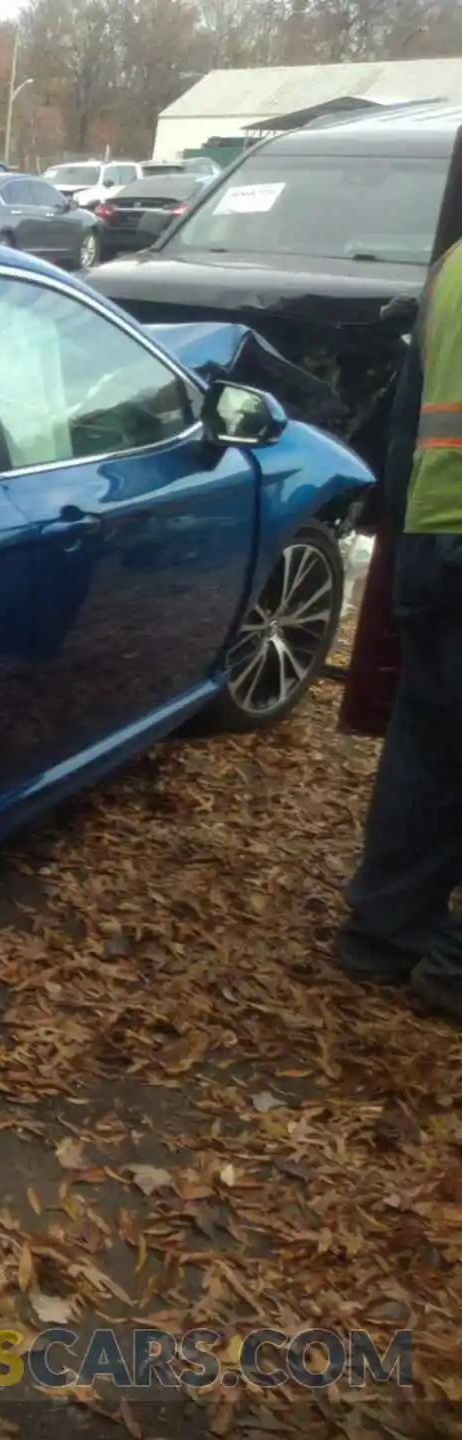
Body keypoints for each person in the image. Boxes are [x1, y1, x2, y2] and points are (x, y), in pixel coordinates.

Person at [337, 239, 462, 1019]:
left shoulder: (453, 267)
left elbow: (405, 415)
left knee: (428, 749)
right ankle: (452, 974)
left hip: (436, 536)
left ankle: (382, 935)